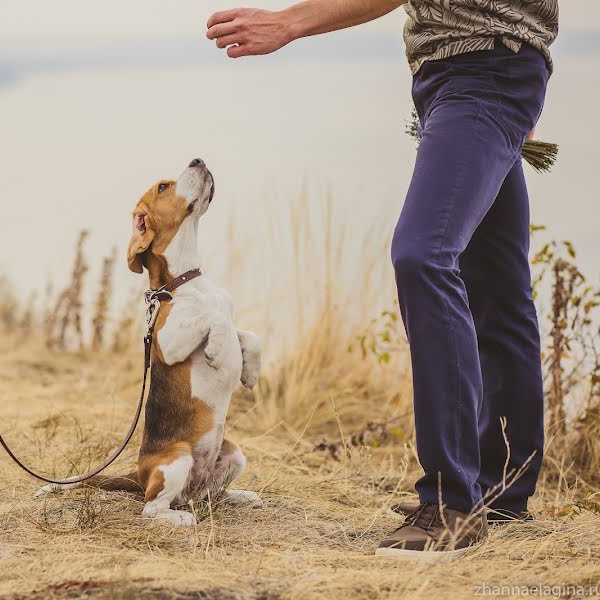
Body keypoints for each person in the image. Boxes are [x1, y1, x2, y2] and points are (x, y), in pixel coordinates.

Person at [205, 0, 557, 559]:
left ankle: (452, 502)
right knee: (499, 287)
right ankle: (503, 488)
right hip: (477, 75)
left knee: (423, 256)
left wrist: (288, 22)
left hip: (484, 75)